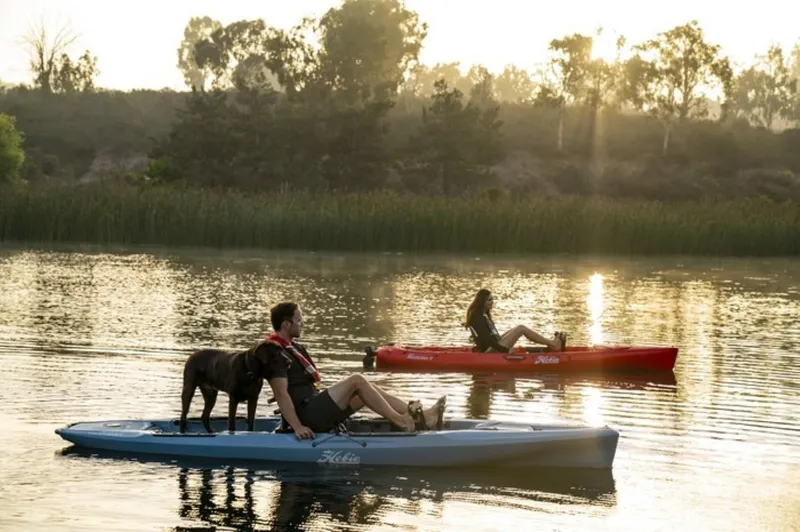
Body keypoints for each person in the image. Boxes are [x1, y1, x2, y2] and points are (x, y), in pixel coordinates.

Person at [262, 301, 446, 440]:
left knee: (367, 388)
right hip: (307, 415)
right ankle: (402, 422)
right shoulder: (274, 352)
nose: (302, 323)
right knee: (357, 380)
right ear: (286, 324)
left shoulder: (294, 347)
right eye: (299, 319)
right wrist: (297, 427)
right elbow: (280, 394)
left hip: (313, 405)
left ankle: (424, 418)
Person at [464, 288, 563, 353]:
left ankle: (549, 345)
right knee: (521, 328)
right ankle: (554, 345)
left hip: (494, 346)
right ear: (482, 301)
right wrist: (505, 350)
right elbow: (487, 340)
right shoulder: (478, 317)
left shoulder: (482, 314)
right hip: (490, 351)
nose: (492, 302)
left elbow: (490, 338)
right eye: (489, 300)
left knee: (517, 328)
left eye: (492, 299)